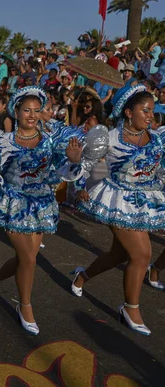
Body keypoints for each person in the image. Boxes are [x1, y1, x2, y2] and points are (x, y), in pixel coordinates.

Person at [0, 86, 83, 335]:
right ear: (15, 111)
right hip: (13, 204)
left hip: (41, 204)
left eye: (37, 110)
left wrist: (73, 161)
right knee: (28, 258)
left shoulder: (51, 141)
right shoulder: (2, 141)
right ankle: (25, 306)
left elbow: (64, 175)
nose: (31, 115)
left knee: (26, 258)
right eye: (26, 110)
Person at [72, 85, 163, 336]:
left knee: (119, 255)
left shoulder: (155, 138)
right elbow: (92, 165)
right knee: (142, 254)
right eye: (145, 110)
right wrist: (82, 184)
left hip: (144, 200)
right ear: (128, 112)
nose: (150, 116)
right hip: (117, 199)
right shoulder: (109, 137)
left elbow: (160, 170)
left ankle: (83, 276)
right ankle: (130, 308)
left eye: (152, 111)